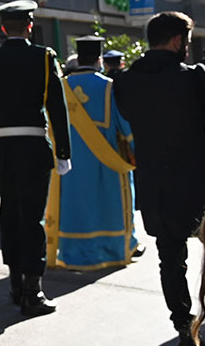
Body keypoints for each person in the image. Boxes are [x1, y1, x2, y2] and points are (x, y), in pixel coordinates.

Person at [0, 0, 71, 316]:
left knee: (10, 211)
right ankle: (32, 292)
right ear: (30, 26)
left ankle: (15, 283)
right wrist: (63, 151)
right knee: (32, 217)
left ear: (3, 29)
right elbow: (57, 108)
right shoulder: (44, 56)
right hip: (34, 147)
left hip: (1, 148)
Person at [114, 11, 205, 346]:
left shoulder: (125, 80)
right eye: (189, 42)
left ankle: (183, 326)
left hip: (156, 189)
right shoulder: (194, 78)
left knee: (170, 260)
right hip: (198, 186)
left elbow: (126, 115)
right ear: (178, 41)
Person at [45, 35, 139, 270]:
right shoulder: (109, 87)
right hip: (105, 162)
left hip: (68, 163)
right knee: (107, 206)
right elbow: (125, 126)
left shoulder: (60, 86)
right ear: (99, 59)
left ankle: (70, 253)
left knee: (73, 207)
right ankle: (111, 250)